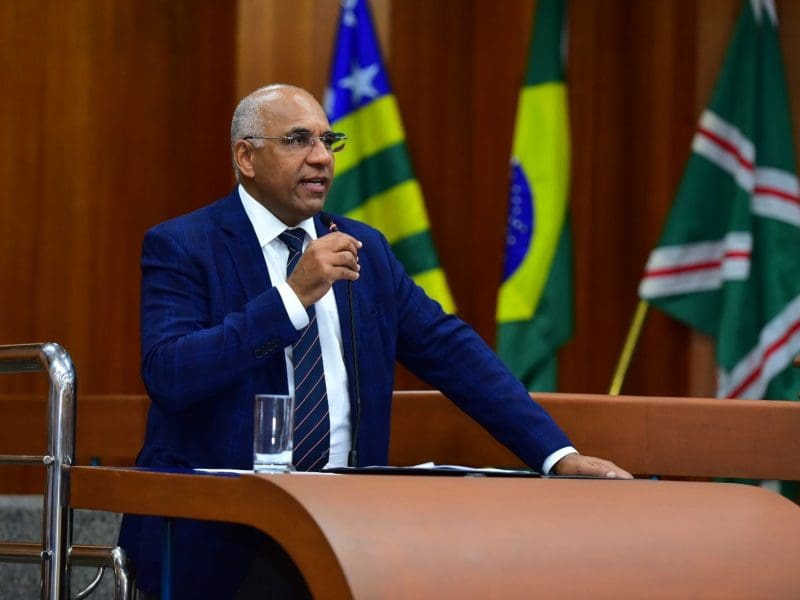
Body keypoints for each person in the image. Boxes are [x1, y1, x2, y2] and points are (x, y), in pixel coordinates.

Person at [119, 83, 631, 599]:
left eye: (328, 141)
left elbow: (453, 353)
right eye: (299, 140)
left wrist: (557, 456)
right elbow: (171, 373)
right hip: (221, 542)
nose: (321, 159)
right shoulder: (184, 244)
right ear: (246, 157)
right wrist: (292, 299)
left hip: (346, 536)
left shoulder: (366, 248)